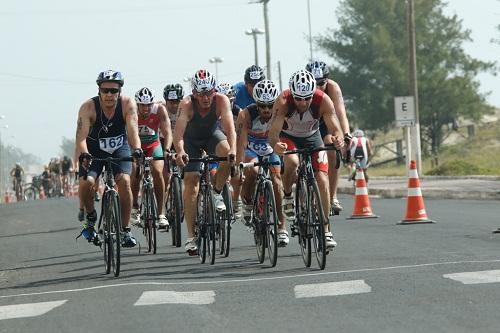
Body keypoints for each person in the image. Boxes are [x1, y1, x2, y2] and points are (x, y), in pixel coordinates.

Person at [268, 70, 344, 249]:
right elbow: (272, 133)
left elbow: (336, 128)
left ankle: (325, 230)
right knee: (292, 163)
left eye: (307, 98)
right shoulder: (283, 101)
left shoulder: (323, 100)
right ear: (292, 94)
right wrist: (276, 145)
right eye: (299, 98)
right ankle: (287, 195)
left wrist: (338, 139)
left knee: (322, 179)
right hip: (289, 137)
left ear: (313, 94)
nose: (303, 103)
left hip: (312, 136)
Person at [75, 70, 142, 247]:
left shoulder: (128, 104)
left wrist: (137, 149)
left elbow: (133, 131)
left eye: (114, 91)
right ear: (99, 91)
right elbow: (81, 138)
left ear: (119, 91)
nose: (109, 95)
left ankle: (125, 230)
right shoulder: (88, 107)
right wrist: (84, 153)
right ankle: (90, 217)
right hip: (94, 150)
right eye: (105, 91)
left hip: (120, 148)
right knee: (86, 182)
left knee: (125, 182)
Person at [173, 69, 236, 254]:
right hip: (191, 140)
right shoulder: (186, 104)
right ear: (194, 93)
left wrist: (233, 150)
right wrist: (181, 151)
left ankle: (216, 192)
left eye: (209, 93)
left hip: (211, 136)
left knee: (226, 154)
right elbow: (178, 134)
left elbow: (230, 129)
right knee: (191, 182)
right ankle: (191, 237)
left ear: (214, 91)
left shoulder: (221, 101)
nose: (206, 98)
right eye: (201, 94)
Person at [236, 79, 289, 246]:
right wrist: (239, 163)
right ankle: (247, 203)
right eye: (262, 106)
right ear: (256, 104)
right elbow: (242, 141)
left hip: (270, 148)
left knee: (277, 183)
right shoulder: (246, 114)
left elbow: (288, 136)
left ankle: (281, 227)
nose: (266, 109)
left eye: (270, 105)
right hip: (251, 148)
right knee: (252, 171)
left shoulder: (281, 112)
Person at [306, 60, 352, 215]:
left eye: (321, 83)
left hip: (326, 122)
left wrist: (346, 135)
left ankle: (332, 196)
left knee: (332, 151)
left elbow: (341, 114)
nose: (318, 87)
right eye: (314, 83)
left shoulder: (333, 88)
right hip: (307, 124)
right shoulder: (304, 89)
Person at [130, 87, 172, 229]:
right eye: (142, 105)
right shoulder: (132, 111)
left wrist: (166, 149)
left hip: (153, 145)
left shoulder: (159, 109)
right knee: (135, 173)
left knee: (158, 171)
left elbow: (167, 132)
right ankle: (135, 206)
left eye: (148, 104)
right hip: (136, 147)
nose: (146, 108)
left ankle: (161, 213)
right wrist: (135, 151)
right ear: (137, 104)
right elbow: (129, 133)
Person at [216, 82, 243, 217]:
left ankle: (236, 199)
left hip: (233, 143)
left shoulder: (239, 111)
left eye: (230, 100)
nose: (228, 103)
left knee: (237, 172)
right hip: (217, 145)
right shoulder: (214, 111)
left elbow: (244, 131)